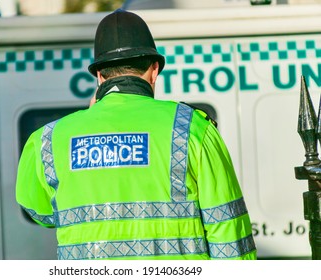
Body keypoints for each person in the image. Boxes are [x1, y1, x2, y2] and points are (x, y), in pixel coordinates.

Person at [15, 9, 257, 260]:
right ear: (154, 70)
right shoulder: (193, 128)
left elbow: (41, 213)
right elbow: (230, 236)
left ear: (99, 77)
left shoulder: (47, 139)